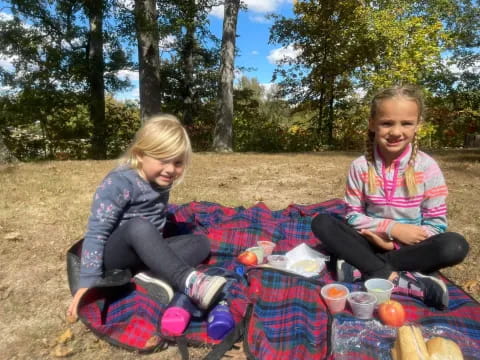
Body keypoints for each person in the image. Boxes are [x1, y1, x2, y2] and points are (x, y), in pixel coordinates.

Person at [311, 85, 469, 310]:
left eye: (406, 123)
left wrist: (394, 243)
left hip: (409, 249)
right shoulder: (360, 166)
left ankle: (362, 267)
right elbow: (353, 216)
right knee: (322, 223)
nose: (396, 132)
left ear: (417, 126)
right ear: (372, 124)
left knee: (454, 246)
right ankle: (397, 278)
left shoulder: (428, 167)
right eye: (387, 123)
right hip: (369, 240)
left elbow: (436, 223)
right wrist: (389, 229)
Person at [67, 114, 226, 321]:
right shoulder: (119, 182)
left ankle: (149, 276)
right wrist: (87, 284)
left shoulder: (161, 179)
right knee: (139, 226)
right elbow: (97, 234)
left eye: (177, 163)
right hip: (116, 255)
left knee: (201, 242)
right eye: (163, 160)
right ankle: (187, 280)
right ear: (141, 154)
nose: (170, 169)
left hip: (145, 252)